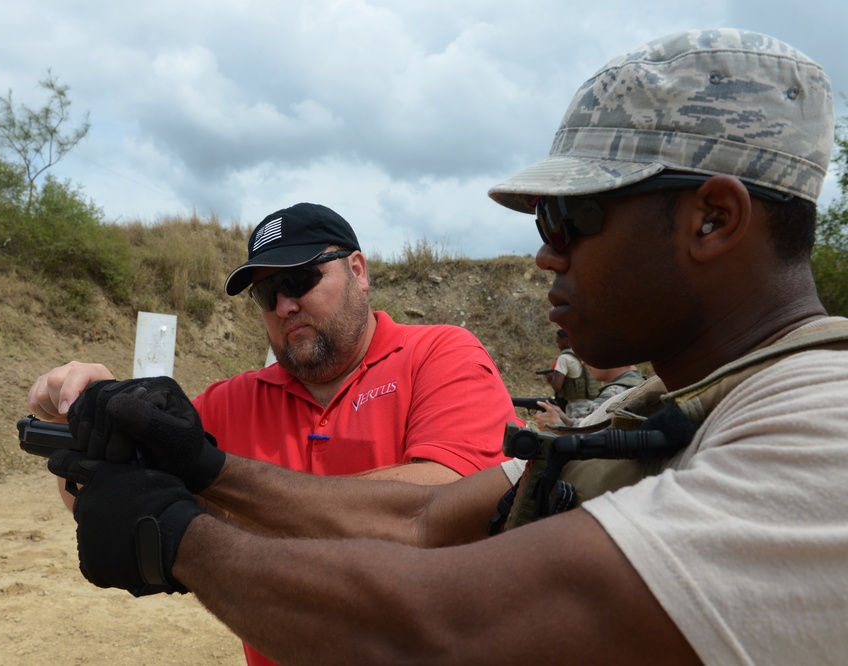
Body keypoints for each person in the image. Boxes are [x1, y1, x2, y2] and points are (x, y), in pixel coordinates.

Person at [44, 29, 848, 664]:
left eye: (573, 219)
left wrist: (180, 537)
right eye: (545, 224)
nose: (546, 254)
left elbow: (438, 633)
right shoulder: (662, 408)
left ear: (714, 218)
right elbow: (426, 520)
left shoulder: (822, 437)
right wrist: (193, 466)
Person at [29, 203, 520, 666]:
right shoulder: (230, 400)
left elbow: (450, 506)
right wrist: (80, 424)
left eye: (300, 279)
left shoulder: (440, 354)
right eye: (266, 294)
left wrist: (210, 500)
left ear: (358, 271)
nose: (284, 305)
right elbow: (113, 499)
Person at [534, 364, 643, 429]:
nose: (584, 362)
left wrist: (556, 425)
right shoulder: (641, 383)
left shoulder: (614, 393)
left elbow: (589, 436)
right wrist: (567, 421)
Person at [544, 328, 600, 418]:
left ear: (565, 341)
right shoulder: (583, 354)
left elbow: (557, 386)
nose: (558, 345)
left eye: (558, 342)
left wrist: (551, 379)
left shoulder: (564, 358)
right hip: (593, 403)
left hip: (576, 406)